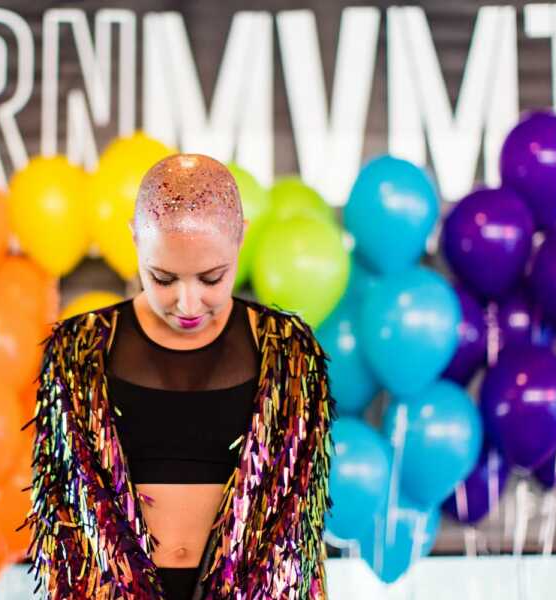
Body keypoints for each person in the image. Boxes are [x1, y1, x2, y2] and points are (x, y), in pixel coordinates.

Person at [20, 154, 337, 599]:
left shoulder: (289, 351)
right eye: (163, 278)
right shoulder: (78, 350)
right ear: (135, 241)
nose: (187, 304)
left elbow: (298, 527)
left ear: (240, 239)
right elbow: (64, 514)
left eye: (212, 278)